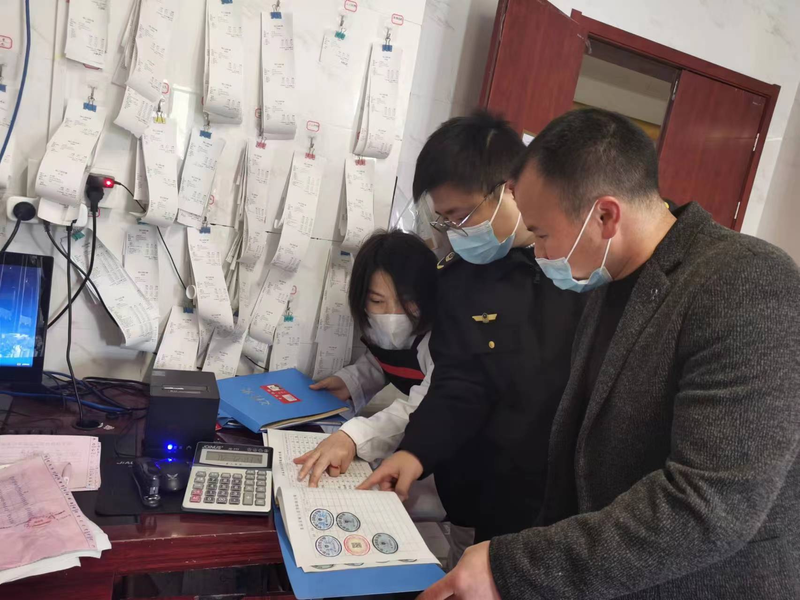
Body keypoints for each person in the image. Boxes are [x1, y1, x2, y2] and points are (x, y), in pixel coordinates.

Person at [407, 108, 800, 600]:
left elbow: (708, 505)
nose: (538, 253)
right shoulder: (605, 283)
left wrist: (515, 568)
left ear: (605, 216)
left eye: (542, 235)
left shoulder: (746, 282)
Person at [358, 111, 586, 553]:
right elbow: (458, 382)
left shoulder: (576, 267)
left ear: (509, 189)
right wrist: (415, 452)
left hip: (561, 501)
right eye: (444, 220)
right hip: (481, 491)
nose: (455, 231)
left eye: (461, 215)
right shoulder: (459, 280)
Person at [295, 231, 438, 487]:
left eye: (407, 301)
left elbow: (423, 408)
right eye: (377, 301)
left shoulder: (443, 339)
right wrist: (349, 382)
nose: (392, 314)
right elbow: (381, 361)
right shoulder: (374, 325)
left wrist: (353, 437)